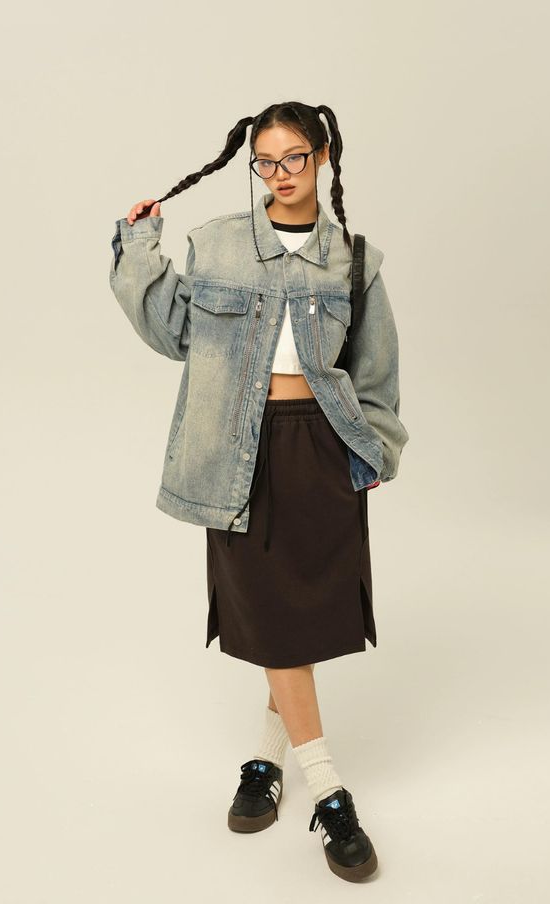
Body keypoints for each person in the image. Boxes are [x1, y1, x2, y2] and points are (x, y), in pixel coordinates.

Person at [109, 100, 409, 882]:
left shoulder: (355, 261)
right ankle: (329, 791)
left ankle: (263, 762)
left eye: (293, 160)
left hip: (323, 448)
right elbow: (174, 330)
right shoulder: (216, 247)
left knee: (297, 622)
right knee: (276, 620)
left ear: (324, 157)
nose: (278, 176)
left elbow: (375, 374)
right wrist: (139, 245)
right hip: (234, 451)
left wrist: (375, 451)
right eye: (264, 163)